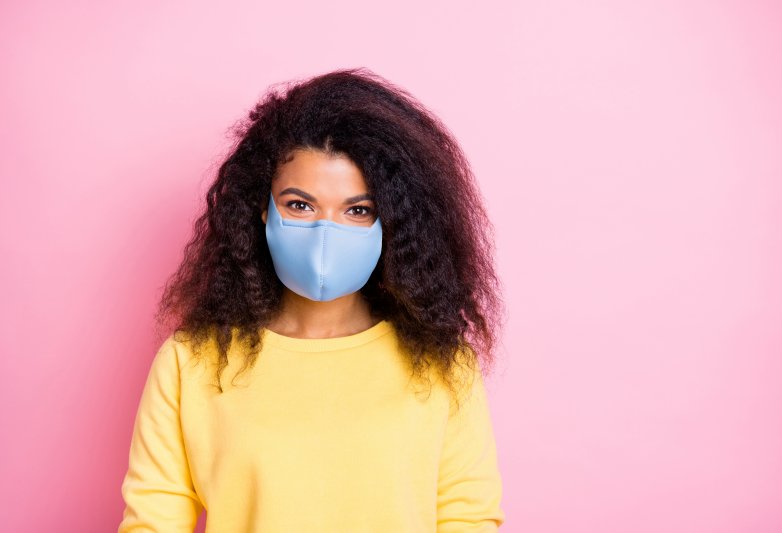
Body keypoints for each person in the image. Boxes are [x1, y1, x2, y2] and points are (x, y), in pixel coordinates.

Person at [118, 67, 507, 532]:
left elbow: (469, 518)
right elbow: (152, 522)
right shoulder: (191, 363)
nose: (326, 231)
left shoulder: (444, 364)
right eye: (300, 205)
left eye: (358, 210)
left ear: (395, 224)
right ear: (263, 210)